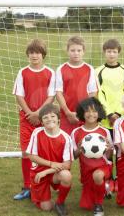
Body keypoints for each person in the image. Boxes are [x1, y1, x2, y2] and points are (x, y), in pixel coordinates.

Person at [12, 39, 55, 200]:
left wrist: (38, 113)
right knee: (26, 152)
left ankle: (45, 181)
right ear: (27, 55)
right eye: (31, 53)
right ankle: (27, 186)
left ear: (43, 55)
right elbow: (19, 94)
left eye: (37, 52)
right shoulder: (22, 72)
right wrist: (30, 112)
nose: (34, 55)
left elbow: (51, 95)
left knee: (45, 151)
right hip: (26, 117)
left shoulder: (50, 72)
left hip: (45, 118)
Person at [95, 38, 124, 193]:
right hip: (105, 119)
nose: (111, 54)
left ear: (118, 53)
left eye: (114, 51)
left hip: (121, 118)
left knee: (121, 151)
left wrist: (118, 112)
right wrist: (109, 113)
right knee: (107, 150)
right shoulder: (98, 71)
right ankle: (108, 179)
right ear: (104, 53)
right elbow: (98, 94)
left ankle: (121, 180)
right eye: (108, 51)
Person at [26, 104, 73, 216]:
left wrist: (47, 170)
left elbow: (67, 165)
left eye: (52, 116)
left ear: (58, 120)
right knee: (46, 208)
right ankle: (35, 192)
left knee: (66, 175)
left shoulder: (66, 138)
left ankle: (60, 203)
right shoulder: (37, 133)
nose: (49, 119)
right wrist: (50, 164)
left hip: (53, 172)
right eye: (45, 117)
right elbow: (31, 156)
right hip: (38, 173)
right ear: (41, 122)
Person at [71, 97, 113, 216]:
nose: (91, 114)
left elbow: (109, 157)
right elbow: (73, 156)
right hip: (86, 171)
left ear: (99, 112)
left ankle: (99, 205)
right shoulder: (76, 133)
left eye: (94, 111)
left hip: (103, 167)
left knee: (98, 175)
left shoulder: (105, 132)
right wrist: (79, 150)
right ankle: (104, 187)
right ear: (81, 113)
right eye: (87, 111)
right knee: (85, 206)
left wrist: (109, 149)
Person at [56, 35, 98, 135]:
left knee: (84, 143)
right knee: (67, 143)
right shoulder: (61, 69)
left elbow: (93, 92)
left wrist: (84, 111)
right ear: (67, 51)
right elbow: (58, 93)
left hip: (84, 114)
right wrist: (67, 112)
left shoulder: (89, 69)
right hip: (66, 114)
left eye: (79, 50)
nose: (76, 53)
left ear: (83, 52)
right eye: (73, 50)